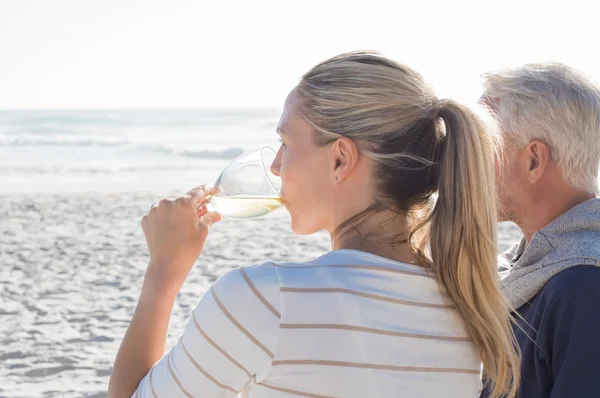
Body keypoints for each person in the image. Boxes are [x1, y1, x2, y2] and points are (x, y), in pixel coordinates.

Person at [108, 51, 520, 398]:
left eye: (286, 144)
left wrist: (165, 269)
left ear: (341, 158)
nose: (274, 165)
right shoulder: (472, 305)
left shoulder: (265, 301)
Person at [480, 63, 600, 398]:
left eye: (482, 146)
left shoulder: (583, 285)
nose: (468, 166)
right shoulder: (532, 271)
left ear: (533, 160)